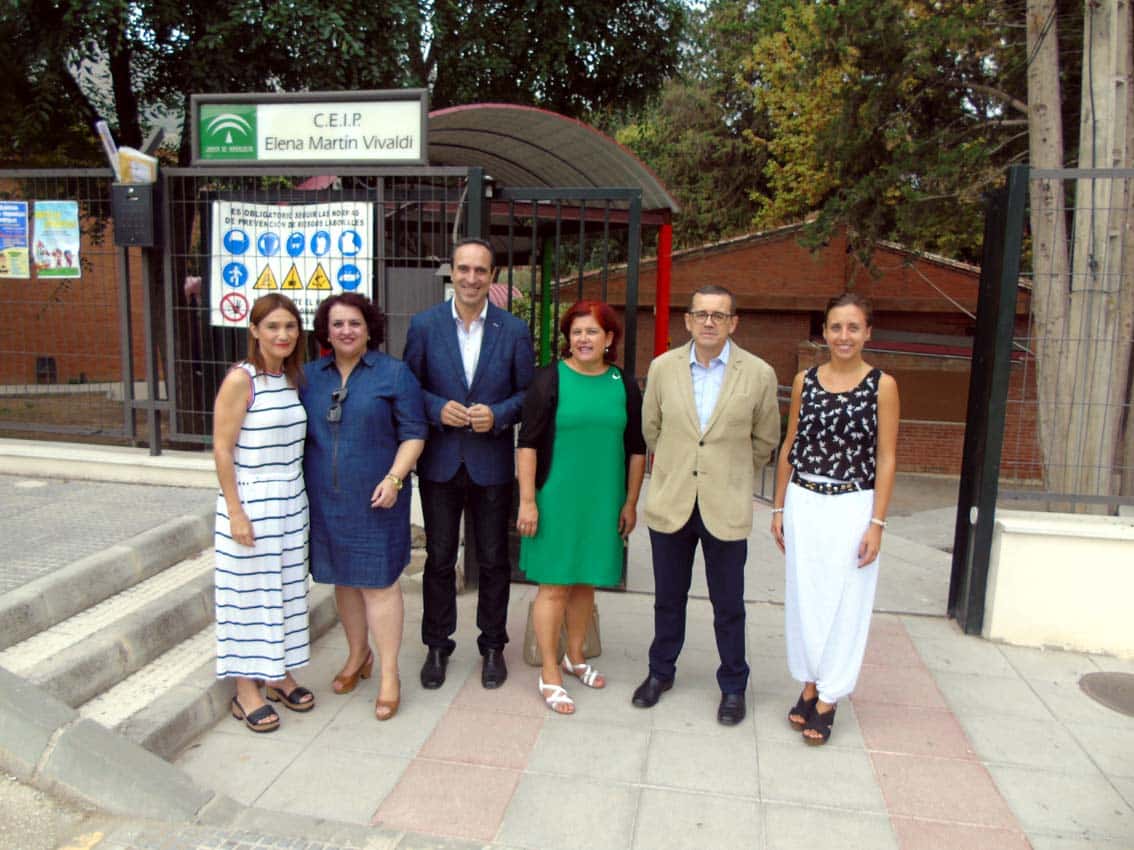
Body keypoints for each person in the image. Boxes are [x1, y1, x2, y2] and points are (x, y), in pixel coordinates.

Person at [633, 284, 780, 726]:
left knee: (728, 604)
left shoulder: (758, 374)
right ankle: (661, 672)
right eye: (702, 314)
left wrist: (729, 470)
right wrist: (683, 465)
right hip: (672, 502)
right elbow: (652, 429)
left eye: (719, 315)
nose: (710, 322)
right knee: (667, 598)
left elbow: (765, 440)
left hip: (726, 505)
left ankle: (733, 685)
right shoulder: (662, 368)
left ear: (734, 322)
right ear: (688, 321)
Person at [403, 237, 534, 690]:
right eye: (464, 269)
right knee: (439, 559)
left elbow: (527, 396)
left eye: (481, 270)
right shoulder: (424, 326)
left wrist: (498, 415)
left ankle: (493, 646)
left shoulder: (514, 331)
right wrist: (436, 407)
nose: (472, 278)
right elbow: (409, 387)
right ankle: (437, 646)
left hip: (491, 463)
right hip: (440, 462)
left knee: (495, 559)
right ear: (451, 273)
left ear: (493, 276)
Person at [771, 292, 899, 745]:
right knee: (806, 597)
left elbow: (885, 458)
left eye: (853, 327)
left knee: (846, 601)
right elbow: (791, 444)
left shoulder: (881, 384)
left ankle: (830, 697)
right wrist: (780, 505)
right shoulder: (806, 379)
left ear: (867, 332)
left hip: (852, 505)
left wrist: (877, 523)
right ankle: (808, 683)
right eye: (836, 327)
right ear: (824, 332)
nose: (844, 336)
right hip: (805, 499)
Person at [516, 301, 647, 714]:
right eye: (576, 332)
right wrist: (527, 502)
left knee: (586, 582)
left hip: (602, 500)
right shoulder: (549, 381)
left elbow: (637, 447)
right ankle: (550, 670)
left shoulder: (622, 384)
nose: (583, 339)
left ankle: (576, 656)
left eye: (592, 332)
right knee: (554, 585)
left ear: (610, 339)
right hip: (555, 499)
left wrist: (630, 501)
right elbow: (529, 444)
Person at [301, 293, 426, 721]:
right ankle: (358, 656)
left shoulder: (394, 374)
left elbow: (414, 433)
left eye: (354, 323)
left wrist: (395, 478)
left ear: (369, 328)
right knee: (344, 580)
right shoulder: (308, 377)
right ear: (326, 332)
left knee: (378, 584)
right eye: (337, 324)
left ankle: (389, 673)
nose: (346, 331)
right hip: (327, 499)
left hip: (379, 499)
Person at [213, 293, 312, 733]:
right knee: (249, 596)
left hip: (291, 502)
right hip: (252, 500)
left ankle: (278, 674)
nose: (283, 334)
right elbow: (222, 447)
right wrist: (236, 512)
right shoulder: (242, 379)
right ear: (254, 331)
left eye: (290, 326)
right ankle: (245, 690)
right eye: (272, 326)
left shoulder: (291, 379)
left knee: (286, 592)